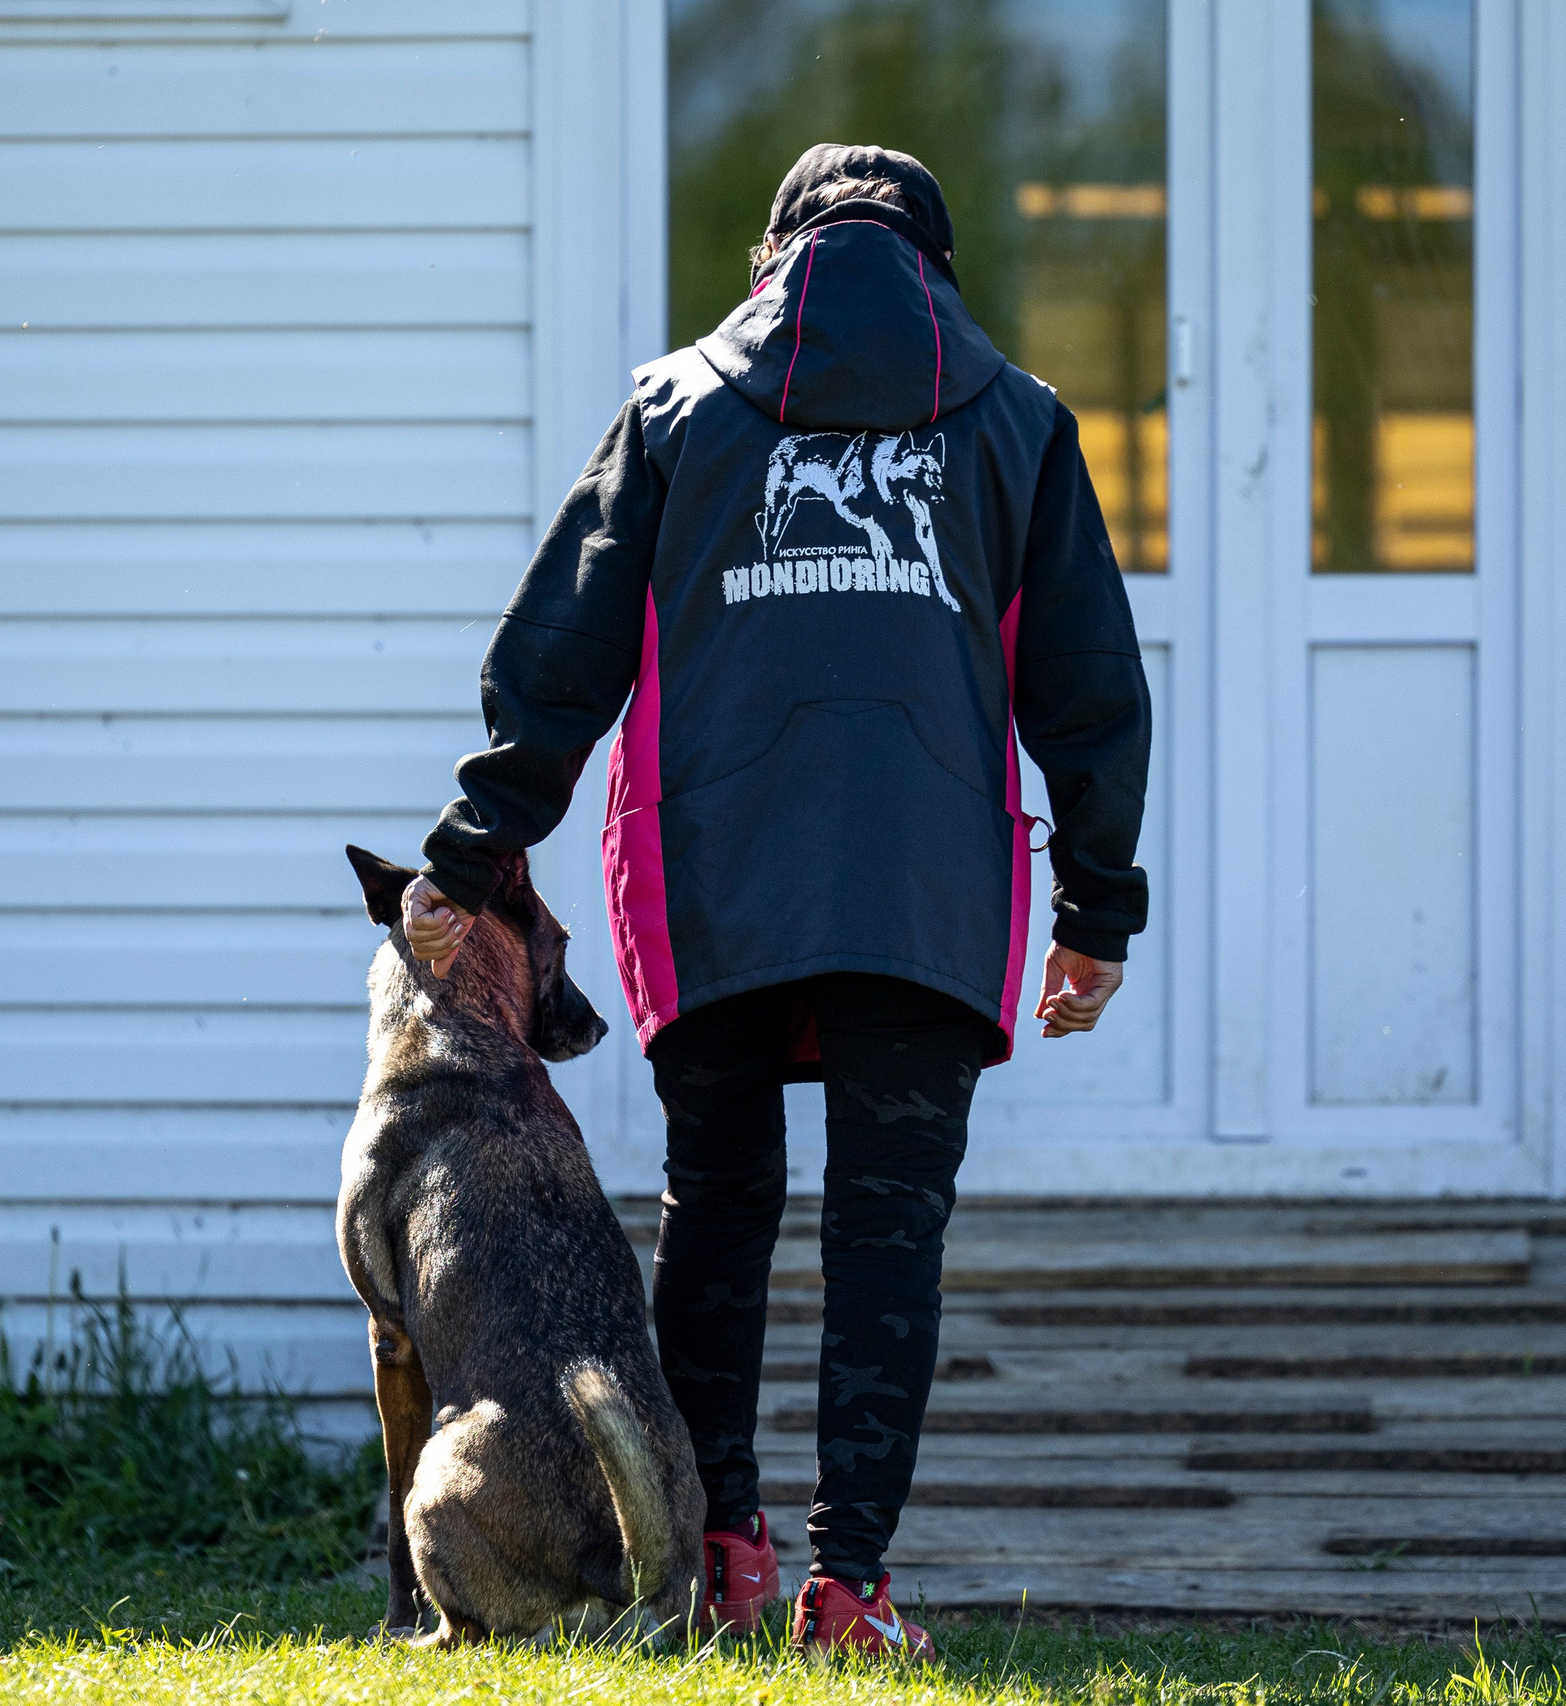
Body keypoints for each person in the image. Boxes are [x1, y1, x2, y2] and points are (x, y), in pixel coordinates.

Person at [401, 144, 1152, 1658]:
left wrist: (476, 849)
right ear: (935, 266)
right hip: (929, 883)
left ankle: (725, 1549)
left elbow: (561, 644)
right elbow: (1089, 690)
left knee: (719, 1203)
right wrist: (1096, 909)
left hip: (713, 870)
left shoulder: (676, 408)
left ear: (771, 262)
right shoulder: (1019, 423)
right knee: (890, 1226)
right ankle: (852, 1588)